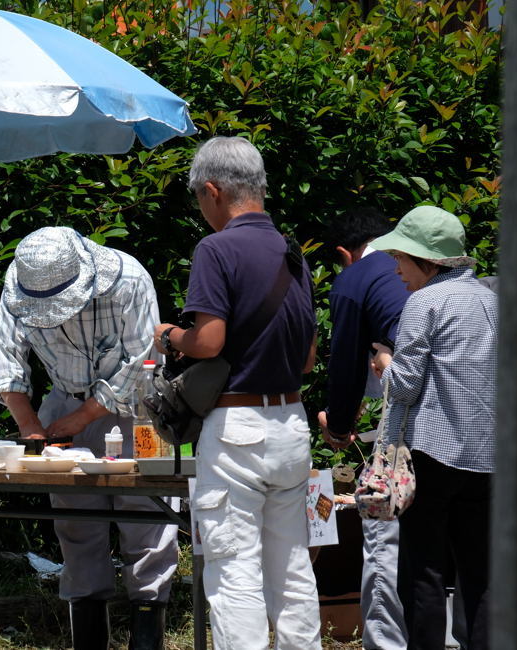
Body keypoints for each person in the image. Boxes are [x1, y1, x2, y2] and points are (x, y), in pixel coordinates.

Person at [153, 136, 320, 649]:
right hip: (291, 425)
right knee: (292, 569)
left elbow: (209, 341)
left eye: (199, 199)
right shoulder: (292, 251)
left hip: (237, 432)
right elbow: (309, 358)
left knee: (233, 571)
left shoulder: (216, 248)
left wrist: (170, 335)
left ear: (212, 190)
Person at [0, 226, 178, 650]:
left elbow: (143, 361)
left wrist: (82, 418)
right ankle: (89, 636)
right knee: (75, 521)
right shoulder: (20, 281)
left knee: (145, 518)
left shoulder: (129, 278)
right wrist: (30, 427)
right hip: (63, 402)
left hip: (138, 408)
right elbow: (8, 360)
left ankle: (146, 634)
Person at [368, 206, 496, 650]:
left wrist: (384, 364)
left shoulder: (425, 302)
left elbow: (404, 387)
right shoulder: (490, 299)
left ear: (427, 260)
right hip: (487, 458)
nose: (396, 268)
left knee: (422, 571)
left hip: (434, 455)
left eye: (401, 257)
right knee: (480, 576)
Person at [316, 207, 410, 650]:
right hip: (466, 422)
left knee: (383, 531)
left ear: (343, 254)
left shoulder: (357, 277)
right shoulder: (423, 272)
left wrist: (336, 424)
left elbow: (347, 363)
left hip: (404, 417)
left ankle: (385, 641)